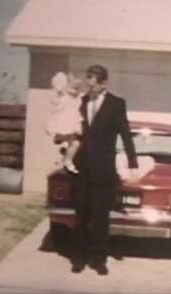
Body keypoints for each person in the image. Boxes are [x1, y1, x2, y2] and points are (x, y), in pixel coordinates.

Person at [71, 64, 139, 275]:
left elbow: (126, 134)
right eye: (87, 83)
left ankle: (99, 259)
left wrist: (133, 162)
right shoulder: (79, 102)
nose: (89, 88)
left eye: (93, 84)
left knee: (101, 217)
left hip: (104, 170)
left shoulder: (116, 104)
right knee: (81, 215)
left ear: (104, 83)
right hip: (81, 168)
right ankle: (79, 258)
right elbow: (70, 129)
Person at [46, 71, 84, 174]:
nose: (75, 90)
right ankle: (61, 140)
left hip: (72, 122)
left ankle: (67, 160)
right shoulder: (62, 96)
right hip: (65, 122)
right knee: (73, 141)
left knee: (75, 143)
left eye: (78, 88)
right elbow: (56, 92)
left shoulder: (77, 98)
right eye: (74, 87)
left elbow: (79, 105)